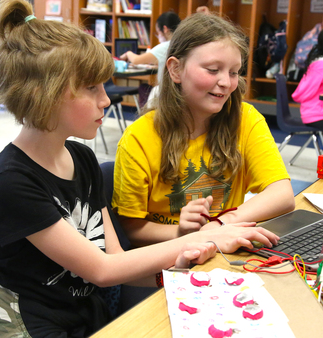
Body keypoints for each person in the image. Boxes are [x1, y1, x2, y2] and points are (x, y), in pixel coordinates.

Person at [0, 1, 279, 336]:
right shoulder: (11, 181)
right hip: (25, 326)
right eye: (92, 88)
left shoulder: (82, 159)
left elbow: (116, 259)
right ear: (43, 94)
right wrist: (211, 234)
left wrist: (177, 272)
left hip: (83, 314)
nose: (106, 100)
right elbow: (102, 270)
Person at [112, 13, 295, 248]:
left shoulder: (245, 119)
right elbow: (132, 229)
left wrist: (220, 224)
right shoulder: (139, 139)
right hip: (167, 261)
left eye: (233, 72)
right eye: (212, 69)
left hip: (223, 251)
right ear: (176, 70)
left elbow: (282, 194)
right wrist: (183, 233)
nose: (227, 83)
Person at [119, 11, 180, 106]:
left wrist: (128, 53)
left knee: (144, 88)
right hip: (180, 92)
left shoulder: (165, 46)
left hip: (166, 93)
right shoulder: (181, 44)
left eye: (158, 32)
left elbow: (136, 60)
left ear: (165, 29)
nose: (158, 36)